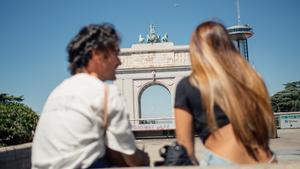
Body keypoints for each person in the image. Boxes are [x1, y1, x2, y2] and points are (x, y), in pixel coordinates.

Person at [31, 23, 150, 169]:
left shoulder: (57, 92)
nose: (120, 61)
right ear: (98, 55)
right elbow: (132, 158)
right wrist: (144, 158)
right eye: (116, 53)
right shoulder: (106, 93)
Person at [174, 21, 276, 166]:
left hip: (222, 160)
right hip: (268, 160)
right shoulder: (254, 78)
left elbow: (185, 150)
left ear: (196, 50)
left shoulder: (188, 85)